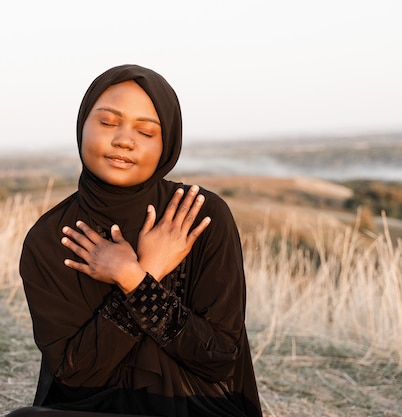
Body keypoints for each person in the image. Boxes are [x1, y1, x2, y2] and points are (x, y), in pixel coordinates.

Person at [16, 64, 262, 417]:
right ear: (82, 125)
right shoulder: (52, 236)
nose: (124, 140)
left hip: (195, 408)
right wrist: (147, 271)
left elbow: (218, 358)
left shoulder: (200, 216)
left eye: (146, 131)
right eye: (107, 122)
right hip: (90, 409)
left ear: (167, 144)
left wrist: (133, 279)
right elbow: (75, 373)